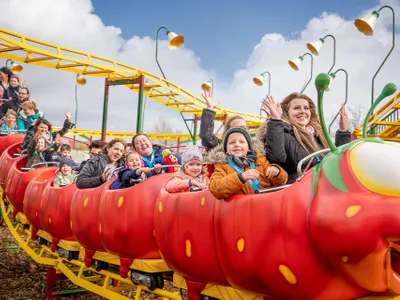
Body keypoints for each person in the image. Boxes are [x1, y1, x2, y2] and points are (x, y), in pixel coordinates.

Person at [261, 93, 350, 183]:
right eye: (296, 108)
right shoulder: (283, 134)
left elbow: (338, 159)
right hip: (300, 188)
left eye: (306, 108)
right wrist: (276, 120)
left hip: (324, 184)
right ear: (286, 113)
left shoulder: (318, 136)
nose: (302, 111)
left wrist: (343, 131)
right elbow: (276, 157)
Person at [209, 127, 288, 199]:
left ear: (249, 148)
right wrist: (240, 178)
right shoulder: (222, 165)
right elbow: (216, 189)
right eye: (232, 142)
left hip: (263, 208)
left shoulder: (260, 161)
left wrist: (277, 172)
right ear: (226, 150)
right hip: (239, 211)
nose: (237, 144)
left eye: (241, 142)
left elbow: (282, 181)